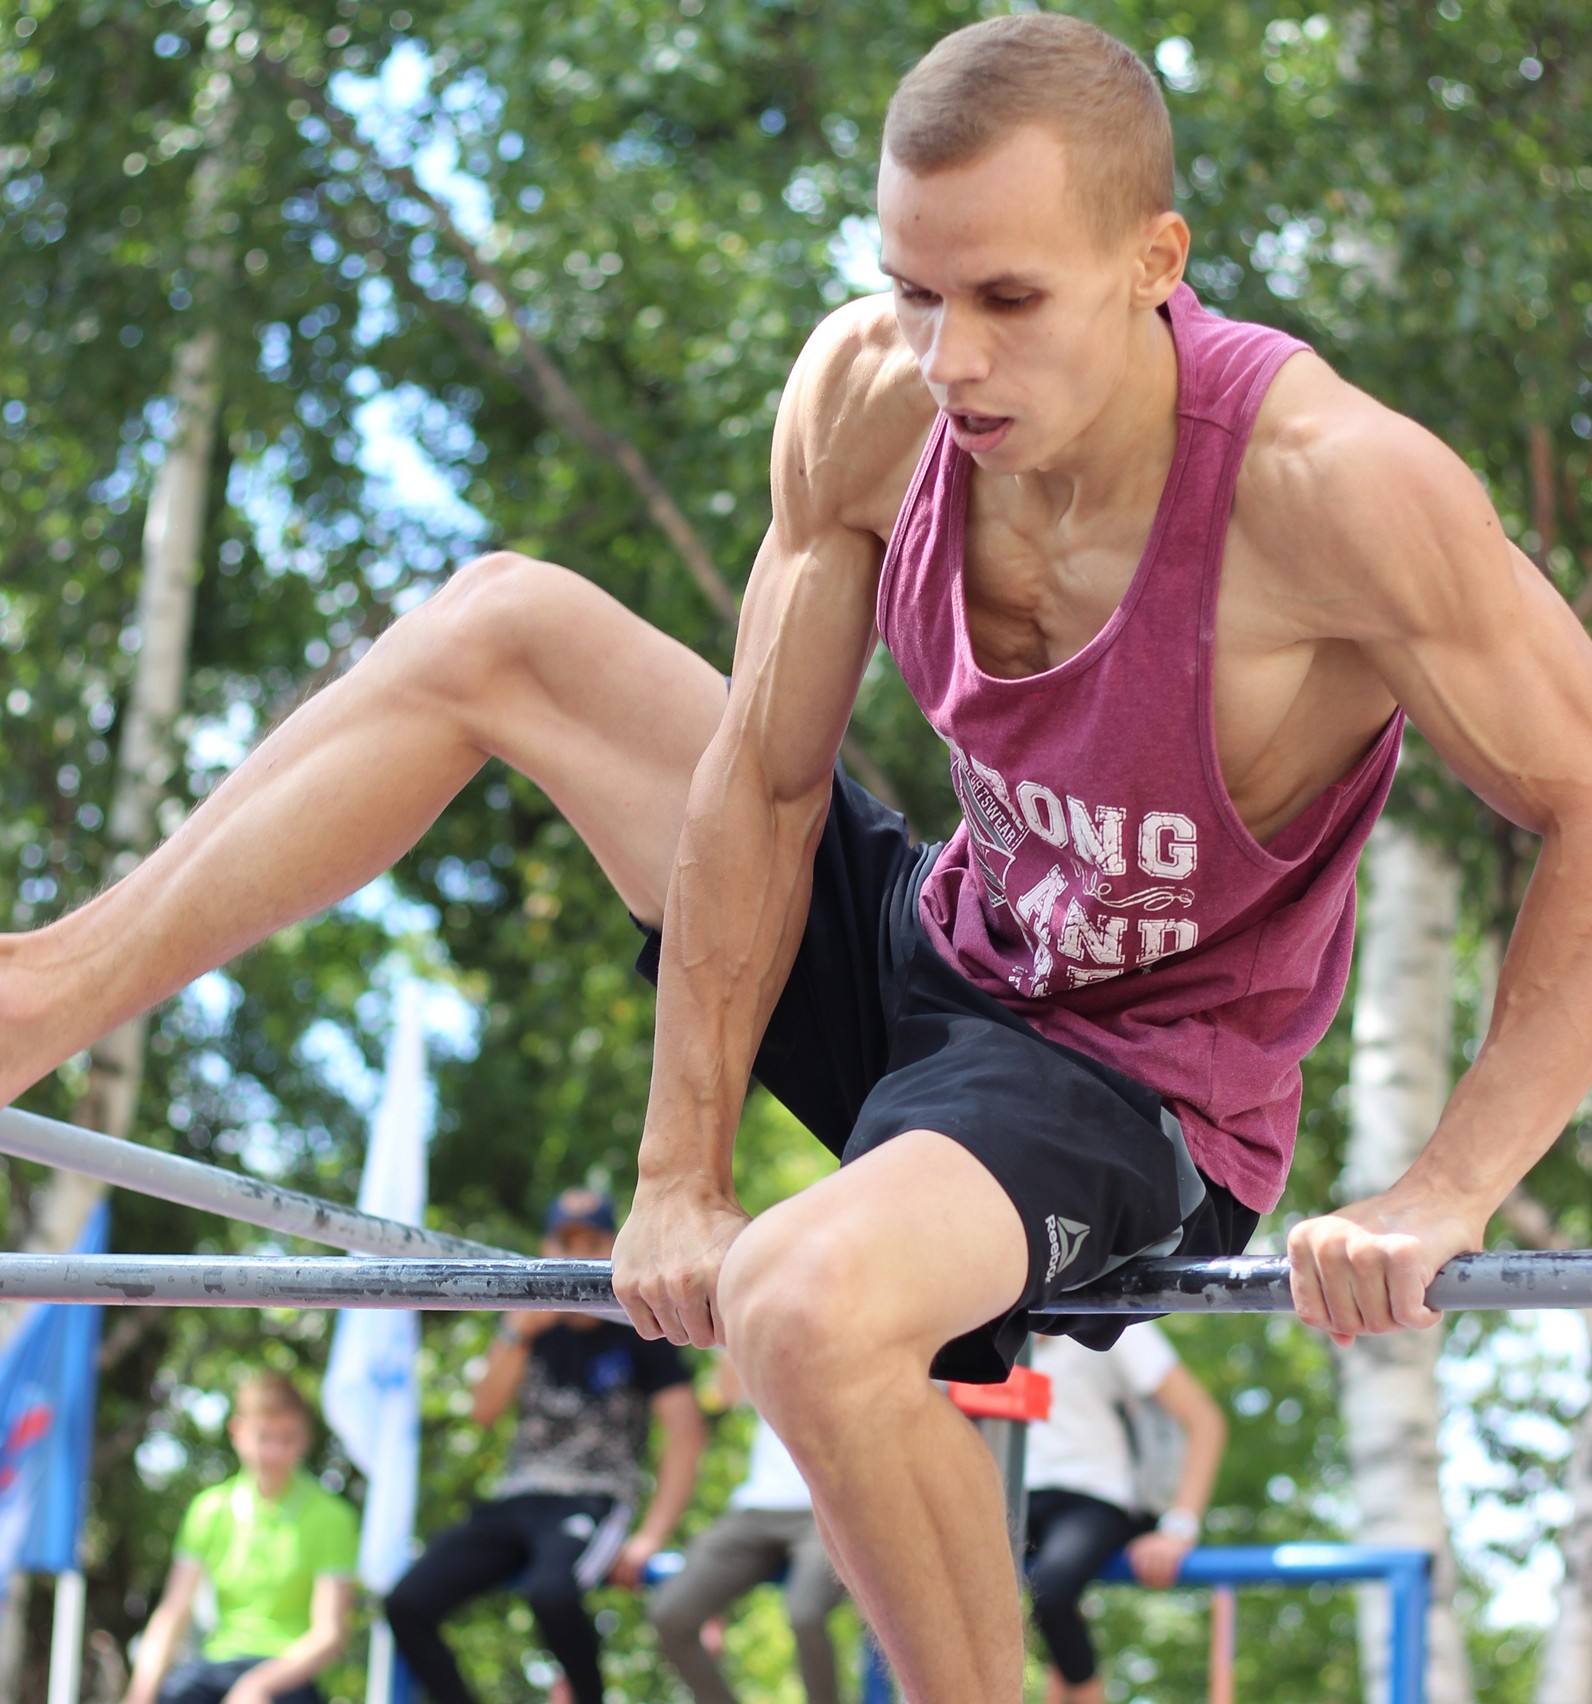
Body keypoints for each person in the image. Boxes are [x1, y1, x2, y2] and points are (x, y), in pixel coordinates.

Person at [6, 12, 1592, 1699]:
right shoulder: (865, 400)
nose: (951, 355)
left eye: (1006, 299)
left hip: (1128, 1085)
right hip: (933, 954)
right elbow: (763, 789)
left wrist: (1448, 1180)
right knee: (505, 623)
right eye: (915, 289)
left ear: (1152, 259)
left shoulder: (1325, 483)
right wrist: (676, 1163)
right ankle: (40, 995)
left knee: (803, 1302)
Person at [383, 1188, 705, 1704]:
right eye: (564, 1241)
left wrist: (650, 1535)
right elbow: (483, 1410)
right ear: (547, 1246)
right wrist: (516, 1332)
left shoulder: (639, 1326)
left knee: (551, 1592)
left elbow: (686, 1435)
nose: (575, 1253)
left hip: (592, 1498)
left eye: (589, 1240)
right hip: (516, 1498)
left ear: (612, 1246)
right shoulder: (526, 1323)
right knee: (405, 1602)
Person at [121, 1372, 356, 1704]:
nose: (274, 1452)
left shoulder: (332, 1517)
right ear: (238, 1432)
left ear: (305, 1439)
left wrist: (259, 1686)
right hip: (217, 1665)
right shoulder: (209, 1509)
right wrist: (139, 1694)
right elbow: (173, 1611)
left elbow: (329, 1633)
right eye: (264, 1437)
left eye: (287, 1438)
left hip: (288, 1676)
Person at [1023, 1324, 1226, 1704]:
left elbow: (1204, 1420)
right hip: (1011, 1499)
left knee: (1051, 1591)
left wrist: (1178, 1527)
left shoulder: (1109, 1317)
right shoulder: (975, 1328)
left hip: (1096, 1497)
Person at [648, 1357, 846, 1704]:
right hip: (756, 1510)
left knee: (805, 1612)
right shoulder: (771, 1334)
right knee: (671, 1613)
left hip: (830, 1511)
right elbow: (721, 1396)